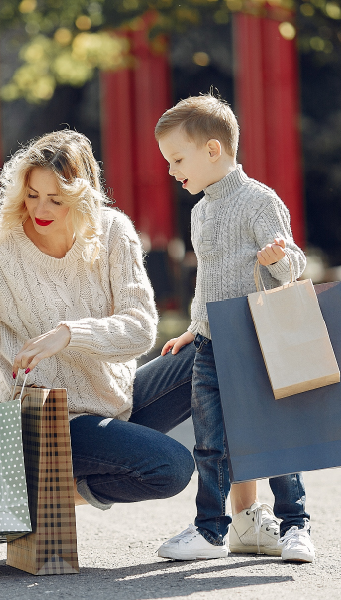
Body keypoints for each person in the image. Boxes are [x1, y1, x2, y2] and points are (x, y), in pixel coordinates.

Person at [0, 129, 196, 514]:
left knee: (207, 357)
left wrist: (69, 334)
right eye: (32, 195)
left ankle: (234, 512)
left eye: (56, 199)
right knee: (171, 467)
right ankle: (43, 489)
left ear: (82, 197)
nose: (41, 209)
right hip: (48, 419)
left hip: (115, 399)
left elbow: (140, 327)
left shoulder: (114, 232)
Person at [154, 94, 314, 562]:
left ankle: (295, 525)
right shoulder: (199, 210)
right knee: (210, 441)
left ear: (212, 150)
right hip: (211, 342)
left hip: (259, 337)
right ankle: (210, 531)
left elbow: (296, 266)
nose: (170, 170)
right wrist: (194, 327)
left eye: (177, 158)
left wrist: (279, 259)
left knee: (275, 434)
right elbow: (208, 280)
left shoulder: (259, 200)